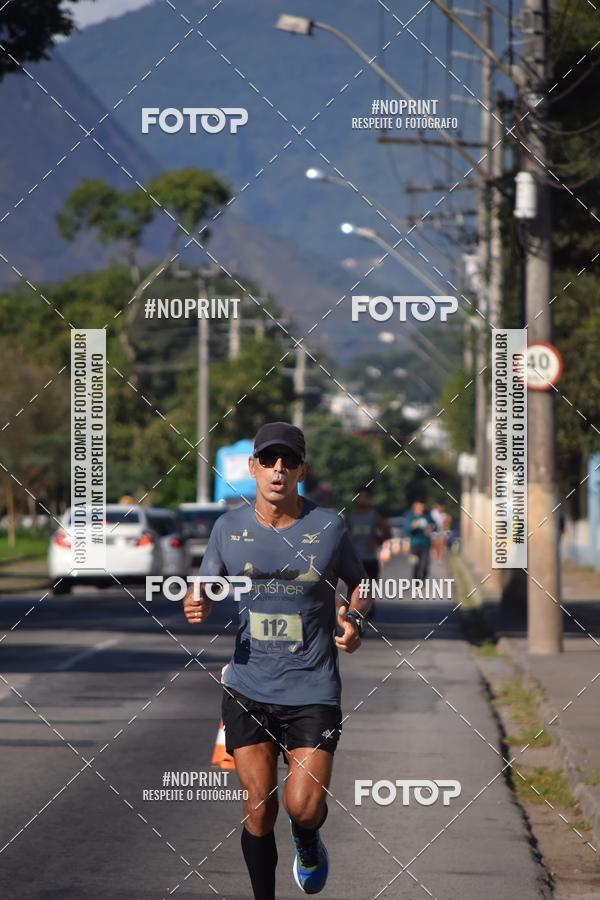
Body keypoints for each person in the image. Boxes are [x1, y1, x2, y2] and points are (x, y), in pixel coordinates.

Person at [183, 422, 370, 899]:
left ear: (302, 470)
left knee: (303, 807)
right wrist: (197, 598)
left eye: (288, 461)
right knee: (259, 807)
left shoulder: (328, 526)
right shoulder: (228, 528)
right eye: (269, 460)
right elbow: (204, 580)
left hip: (313, 689)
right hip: (248, 687)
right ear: (253, 469)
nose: (278, 469)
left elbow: (360, 583)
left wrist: (352, 617)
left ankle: (308, 841)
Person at [346, 489, 390, 617]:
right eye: (360, 497)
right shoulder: (350, 517)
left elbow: (387, 531)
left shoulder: (373, 516)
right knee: (354, 587)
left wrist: (377, 540)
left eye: (365, 497)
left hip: (369, 558)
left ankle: (367, 608)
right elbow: (342, 535)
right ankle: (354, 611)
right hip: (354, 559)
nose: (362, 500)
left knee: (368, 586)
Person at [405, 499, 435, 580]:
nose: (421, 508)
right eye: (419, 506)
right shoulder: (410, 517)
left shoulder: (427, 516)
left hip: (425, 545)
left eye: (422, 506)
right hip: (414, 546)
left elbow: (434, 525)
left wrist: (431, 528)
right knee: (415, 566)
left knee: (425, 565)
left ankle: (422, 581)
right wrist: (412, 526)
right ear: (414, 507)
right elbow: (406, 529)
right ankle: (416, 583)